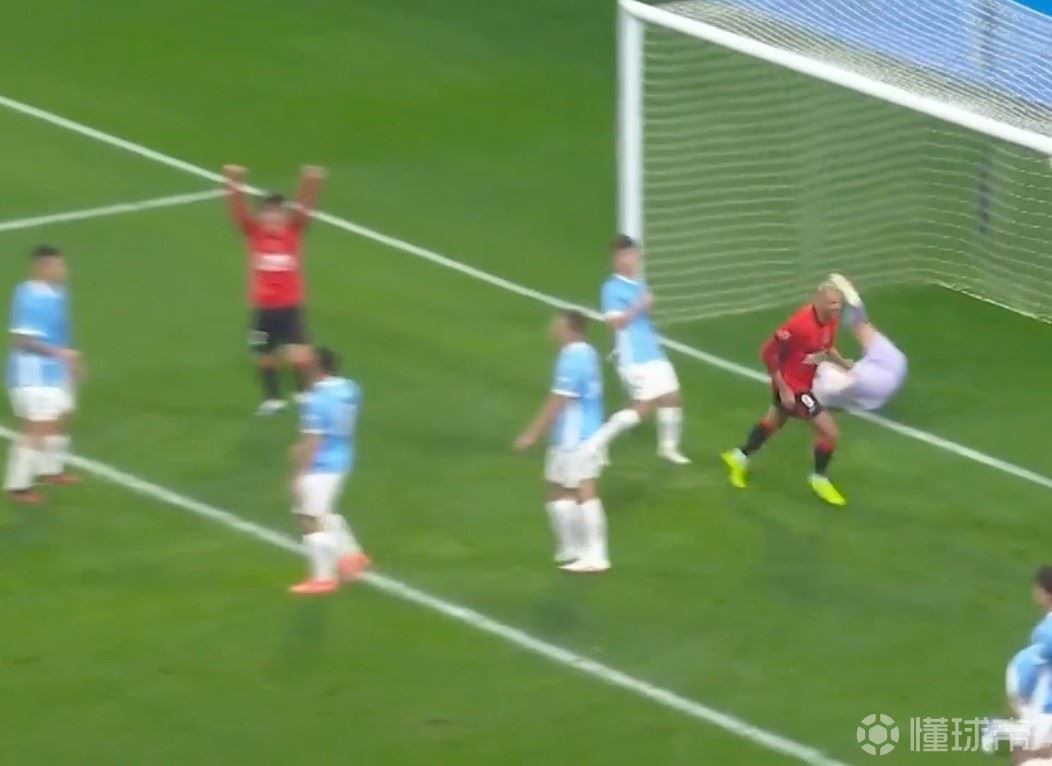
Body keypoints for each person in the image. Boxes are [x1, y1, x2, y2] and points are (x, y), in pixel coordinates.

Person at [720, 282, 849, 506]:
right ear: (818, 301)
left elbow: (826, 348)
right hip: (792, 387)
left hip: (803, 384)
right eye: (832, 303)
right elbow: (768, 353)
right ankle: (819, 478)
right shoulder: (799, 324)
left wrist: (843, 363)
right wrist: (783, 388)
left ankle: (738, 457)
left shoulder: (831, 320)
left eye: (839, 304)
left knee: (773, 423)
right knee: (830, 432)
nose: (836, 308)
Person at [222, 164, 325, 416]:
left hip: (289, 307)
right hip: (263, 309)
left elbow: (305, 208)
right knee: (263, 353)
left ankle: (303, 391)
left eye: (277, 213)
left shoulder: (293, 232)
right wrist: (232, 180)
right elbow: (236, 209)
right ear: (262, 215)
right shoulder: (254, 233)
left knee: (300, 353)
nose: (273, 217)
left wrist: (310, 181)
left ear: (283, 215)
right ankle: (272, 398)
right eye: (268, 213)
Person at [514, 309, 610, 573]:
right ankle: (573, 548)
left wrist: (531, 434)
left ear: (569, 329)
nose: (552, 328)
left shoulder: (573, 359)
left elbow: (557, 401)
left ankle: (596, 555)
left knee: (584, 489)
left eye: (557, 324)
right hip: (569, 434)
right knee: (557, 490)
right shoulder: (584, 352)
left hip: (577, 436)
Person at [584, 235, 689, 465]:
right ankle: (595, 444)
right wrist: (639, 305)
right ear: (617, 260)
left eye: (634, 254)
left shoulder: (639, 285)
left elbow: (642, 318)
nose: (632, 259)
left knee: (671, 397)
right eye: (626, 255)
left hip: (652, 350)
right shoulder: (611, 288)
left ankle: (667, 448)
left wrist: (646, 305)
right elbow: (615, 323)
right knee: (642, 409)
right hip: (632, 355)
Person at [287, 347, 369, 595]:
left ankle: (323, 578)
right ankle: (352, 556)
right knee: (322, 511)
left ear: (315, 367)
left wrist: (297, 472)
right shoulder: (349, 388)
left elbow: (313, 441)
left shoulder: (315, 400)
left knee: (309, 517)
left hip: (321, 465)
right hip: (343, 456)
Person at [4, 245, 81, 504]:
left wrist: (69, 361)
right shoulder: (29, 297)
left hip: (56, 368)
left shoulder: (58, 292)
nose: (64, 270)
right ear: (42, 267)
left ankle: (49, 469)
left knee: (61, 415)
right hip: (33, 373)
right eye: (58, 265)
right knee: (37, 428)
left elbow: (59, 332)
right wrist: (60, 354)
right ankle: (18, 486)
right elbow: (22, 341)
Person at [811, 274, 907, 411]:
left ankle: (854, 310)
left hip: (874, 383)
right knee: (861, 327)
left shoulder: (829, 377)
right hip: (895, 363)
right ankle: (854, 307)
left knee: (823, 385)